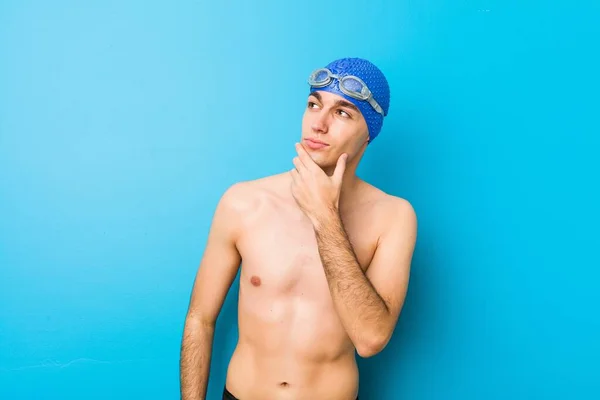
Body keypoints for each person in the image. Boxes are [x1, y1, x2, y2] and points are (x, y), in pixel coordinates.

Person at [179, 57, 417, 400]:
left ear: (369, 134)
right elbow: (199, 318)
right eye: (313, 104)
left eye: (342, 113)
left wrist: (324, 217)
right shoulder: (243, 203)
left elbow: (370, 339)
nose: (318, 124)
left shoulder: (393, 217)